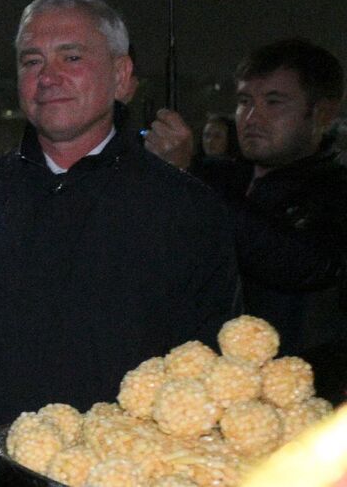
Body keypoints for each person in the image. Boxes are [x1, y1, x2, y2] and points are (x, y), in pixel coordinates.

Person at [0, 0, 240, 487]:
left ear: (122, 76)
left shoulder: (185, 211)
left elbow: (206, 380)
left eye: (71, 56)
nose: (48, 77)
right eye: (32, 61)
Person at [149, 38, 347, 399]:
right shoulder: (223, 177)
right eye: (244, 102)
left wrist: (190, 178)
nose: (252, 118)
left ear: (322, 113)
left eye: (274, 102)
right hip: (201, 397)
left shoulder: (335, 188)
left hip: (298, 404)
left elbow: (301, 262)